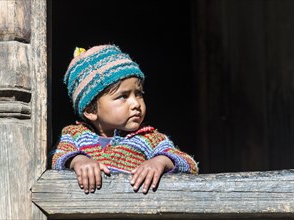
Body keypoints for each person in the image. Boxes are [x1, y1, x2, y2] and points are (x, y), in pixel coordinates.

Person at [51, 45, 198, 194]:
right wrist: (78, 161)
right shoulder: (74, 135)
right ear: (90, 110)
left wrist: (160, 161)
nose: (136, 104)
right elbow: (56, 157)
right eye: (123, 96)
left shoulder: (150, 139)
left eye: (139, 94)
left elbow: (190, 165)